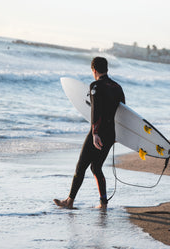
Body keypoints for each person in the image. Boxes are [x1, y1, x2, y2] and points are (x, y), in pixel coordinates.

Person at [54, 57, 125, 209]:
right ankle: (103, 203)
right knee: (96, 167)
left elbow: (95, 111)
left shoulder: (95, 86)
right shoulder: (117, 87)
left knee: (81, 167)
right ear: (106, 69)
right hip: (111, 133)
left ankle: (69, 201)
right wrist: (117, 135)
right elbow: (123, 114)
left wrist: (95, 133)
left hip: (99, 133)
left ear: (93, 70)